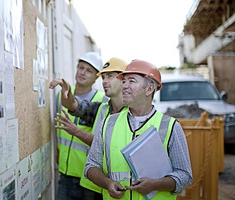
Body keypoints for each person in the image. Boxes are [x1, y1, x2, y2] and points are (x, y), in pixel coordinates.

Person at [84, 59, 193, 200]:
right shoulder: (108, 123)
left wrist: (155, 185)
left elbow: (185, 176)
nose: (124, 86)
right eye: (123, 81)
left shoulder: (170, 126)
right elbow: (91, 166)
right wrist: (107, 183)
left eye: (132, 81)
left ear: (149, 89)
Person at [49, 57, 128, 199]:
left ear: (125, 81)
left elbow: (105, 145)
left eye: (110, 76)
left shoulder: (131, 115)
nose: (104, 81)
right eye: (103, 77)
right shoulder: (102, 108)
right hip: (92, 180)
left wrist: (75, 131)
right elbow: (75, 105)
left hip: (114, 187)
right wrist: (66, 94)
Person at [50, 52, 107, 200]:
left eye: (89, 70)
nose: (82, 72)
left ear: (97, 77)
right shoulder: (61, 97)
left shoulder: (102, 102)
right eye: (81, 68)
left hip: (88, 178)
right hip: (65, 174)